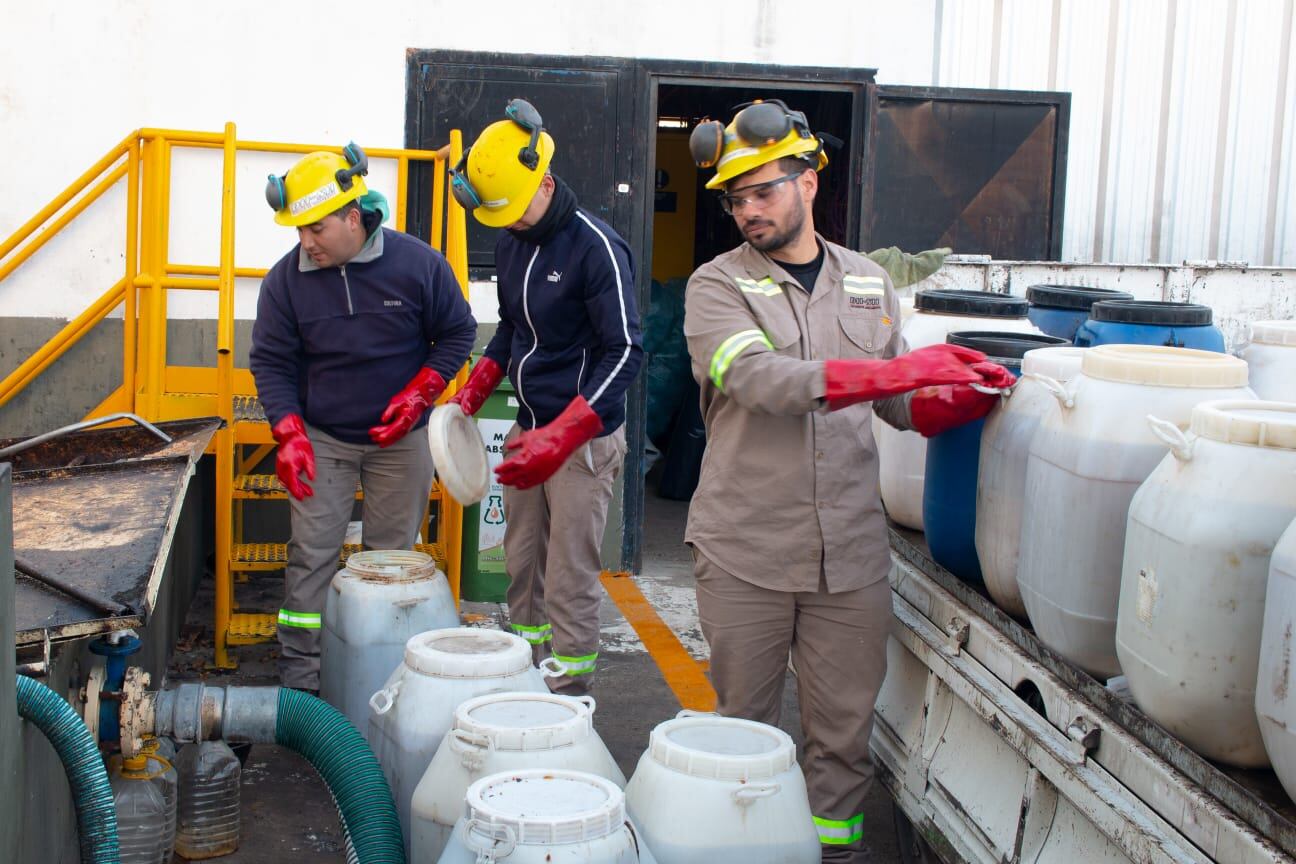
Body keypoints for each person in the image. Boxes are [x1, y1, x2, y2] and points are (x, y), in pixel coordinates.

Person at [682, 100, 1012, 861]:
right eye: (735, 198)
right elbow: (757, 380)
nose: (747, 210)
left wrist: (951, 397)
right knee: (744, 733)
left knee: (842, 739)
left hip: (851, 558)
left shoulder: (867, 281)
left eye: (763, 190)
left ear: (809, 183)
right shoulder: (715, 285)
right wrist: (893, 371)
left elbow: (894, 402)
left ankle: (833, 855)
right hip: (747, 552)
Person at [250, 143, 476, 693]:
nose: (305, 242)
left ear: (354, 218)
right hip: (322, 438)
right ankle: (301, 680)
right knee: (311, 557)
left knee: (392, 561)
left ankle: (385, 673)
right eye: (298, 230)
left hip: (403, 441)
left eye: (316, 228)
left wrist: (423, 392)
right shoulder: (286, 281)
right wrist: (288, 432)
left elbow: (458, 332)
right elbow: (271, 361)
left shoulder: (418, 265)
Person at [447, 99, 643, 696]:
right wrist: (476, 388)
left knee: (568, 575)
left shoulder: (596, 248)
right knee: (520, 564)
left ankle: (569, 697)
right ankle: (526, 677)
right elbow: (512, 327)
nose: (508, 223)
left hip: (582, 440)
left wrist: (564, 432)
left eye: (514, 209)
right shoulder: (513, 242)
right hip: (527, 430)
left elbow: (628, 350)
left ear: (546, 181)